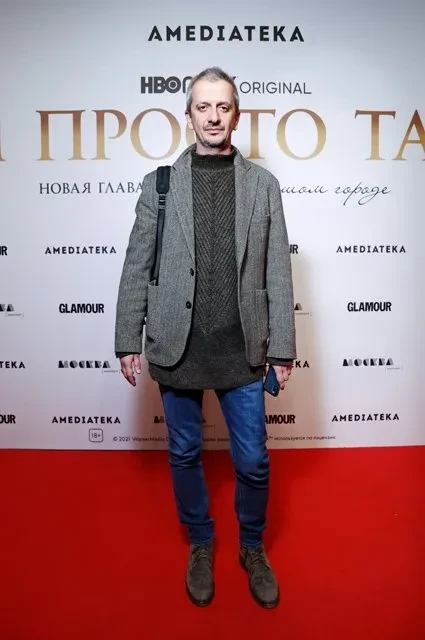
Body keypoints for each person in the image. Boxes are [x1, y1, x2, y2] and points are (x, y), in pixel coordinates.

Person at [115, 67, 296, 609]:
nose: (213, 117)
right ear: (188, 115)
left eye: (223, 107)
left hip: (242, 347)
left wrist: (282, 347)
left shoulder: (263, 185)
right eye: (203, 107)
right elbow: (137, 264)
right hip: (179, 345)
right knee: (184, 452)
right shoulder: (160, 185)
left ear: (236, 115)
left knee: (253, 460)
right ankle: (200, 541)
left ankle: (251, 546)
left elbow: (278, 270)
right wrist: (128, 338)